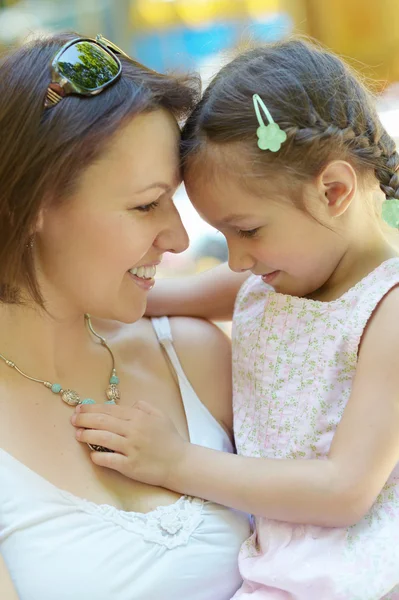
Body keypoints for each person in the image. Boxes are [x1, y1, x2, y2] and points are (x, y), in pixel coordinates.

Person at [72, 39, 399, 599]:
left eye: (247, 230)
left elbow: (346, 489)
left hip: (358, 572)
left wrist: (175, 461)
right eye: (223, 235)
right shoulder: (274, 277)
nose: (237, 259)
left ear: (334, 191)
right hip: (280, 562)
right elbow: (155, 297)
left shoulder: (386, 308)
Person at [0, 32, 250, 600]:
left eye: (173, 201)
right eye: (144, 205)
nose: (178, 237)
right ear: (33, 204)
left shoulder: (195, 355)